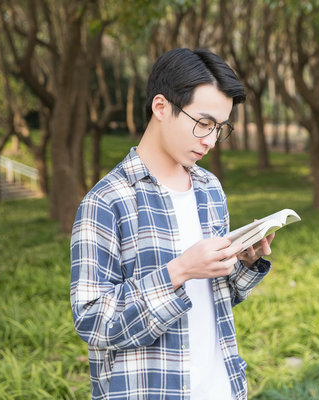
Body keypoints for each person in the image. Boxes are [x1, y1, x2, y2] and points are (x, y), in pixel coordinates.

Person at [70, 48, 275, 400]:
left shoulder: (210, 189)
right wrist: (178, 271)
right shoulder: (107, 201)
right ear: (161, 107)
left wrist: (244, 263)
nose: (210, 140)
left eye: (220, 128)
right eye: (204, 123)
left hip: (221, 388)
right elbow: (93, 322)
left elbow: (216, 298)